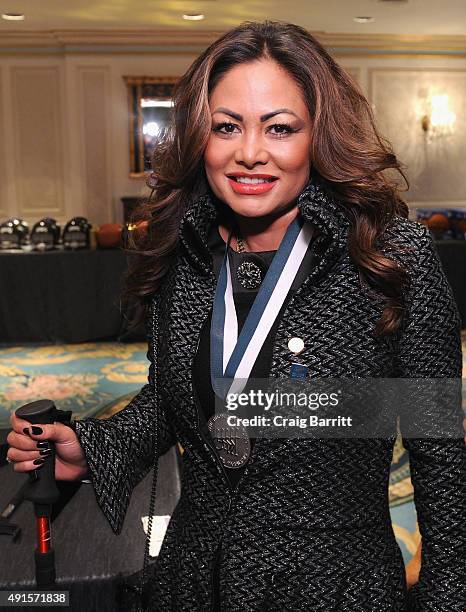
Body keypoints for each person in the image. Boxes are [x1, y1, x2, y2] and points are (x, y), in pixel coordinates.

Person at [7, 20, 465, 612]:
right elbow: (179, 398)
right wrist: (97, 445)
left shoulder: (388, 256)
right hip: (196, 574)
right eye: (227, 127)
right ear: (201, 136)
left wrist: (447, 595)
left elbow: (439, 451)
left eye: (279, 128)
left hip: (334, 584)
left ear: (318, 135)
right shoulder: (185, 248)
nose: (249, 152)